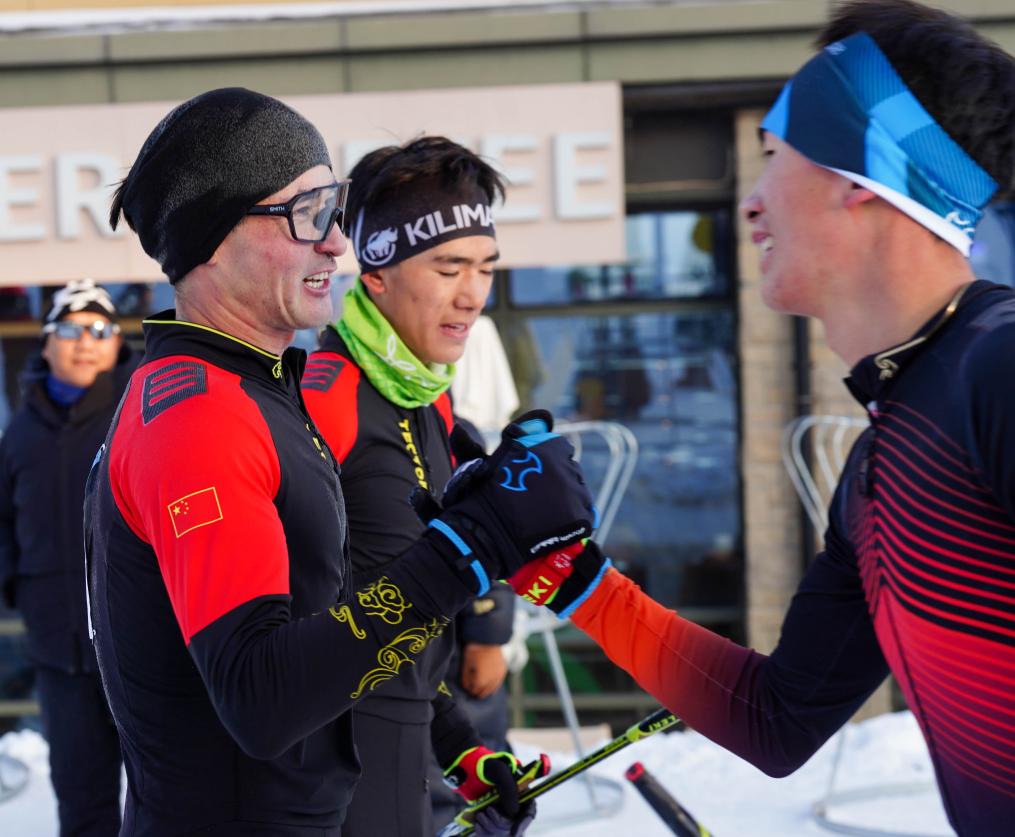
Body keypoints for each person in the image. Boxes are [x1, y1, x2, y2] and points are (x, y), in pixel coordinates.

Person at [500, 3, 1015, 836]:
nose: (747, 203)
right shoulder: (881, 458)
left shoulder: (997, 368)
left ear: (861, 174)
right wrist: (565, 573)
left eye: (774, 156)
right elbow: (775, 718)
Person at [85, 87, 595, 836]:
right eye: (307, 213)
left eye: (334, 209)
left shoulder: (258, 391)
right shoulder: (201, 418)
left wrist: (456, 745)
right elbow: (263, 698)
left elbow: (337, 616)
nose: (335, 243)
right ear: (214, 239)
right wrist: (470, 549)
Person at [301, 137, 525, 836]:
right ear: (375, 273)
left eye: (485, 267)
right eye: (448, 267)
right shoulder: (322, 401)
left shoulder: (430, 402)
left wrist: (463, 750)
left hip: (404, 750)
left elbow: (406, 641)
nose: (473, 294)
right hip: (329, 777)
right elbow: (281, 643)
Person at [0, 278, 134, 836]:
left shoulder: (137, 415)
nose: (85, 343)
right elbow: (5, 524)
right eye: (72, 330)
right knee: (81, 802)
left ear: (117, 344)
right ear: (47, 341)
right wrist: (22, 589)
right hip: (60, 653)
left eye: (100, 330)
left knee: (168, 796)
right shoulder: (22, 431)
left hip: (138, 649)